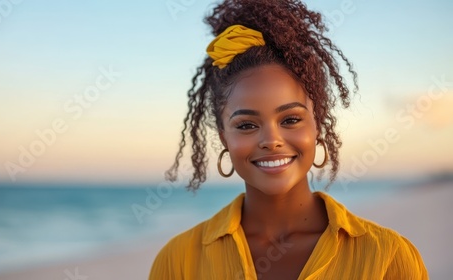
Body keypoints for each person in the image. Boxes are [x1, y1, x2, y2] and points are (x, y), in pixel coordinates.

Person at [149, 0, 428, 279]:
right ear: (224, 138)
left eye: (290, 120)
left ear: (316, 124)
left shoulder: (389, 258)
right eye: (246, 124)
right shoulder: (178, 262)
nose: (271, 140)